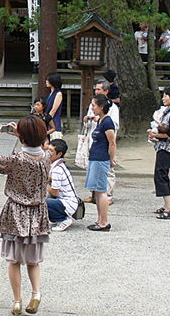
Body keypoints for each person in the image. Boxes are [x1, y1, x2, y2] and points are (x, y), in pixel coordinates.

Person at [0, 116, 51, 315]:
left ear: (22, 137)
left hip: (16, 212)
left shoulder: (15, 160)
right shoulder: (46, 157)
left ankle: (17, 301)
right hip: (38, 213)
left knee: (14, 261)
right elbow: (41, 145)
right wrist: (23, 133)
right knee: (33, 260)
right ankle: (36, 294)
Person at [82, 80, 120, 205]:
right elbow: (87, 119)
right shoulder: (93, 105)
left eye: (99, 89)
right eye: (96, 89)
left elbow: (114, 127)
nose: (97, 92)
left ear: (106, 91)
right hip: (93, 138)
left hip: (104, 143)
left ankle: (108, 195)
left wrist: (101, 120)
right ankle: (93, 194)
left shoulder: (112, 108)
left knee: (107, 171)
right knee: (92, 169)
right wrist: (88, 119)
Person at [148, 85, 170, 219]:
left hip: (168, 149)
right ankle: (165, 204)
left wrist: (154, 135)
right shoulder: (169, 111)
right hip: (162, 147)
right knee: (160, 174)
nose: (163, 98)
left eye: (165, 96)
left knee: (161, 175)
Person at [84, 95, 116, 231]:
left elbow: (112, 142)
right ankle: (99, 219)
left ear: (101, 107)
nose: (92, 108)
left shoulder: (108, 122)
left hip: (101, 159)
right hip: (95, 158)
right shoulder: (100, 121)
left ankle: (104, 222)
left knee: (101, 191)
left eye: (94, 105)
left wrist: (111, 159)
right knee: (97, 191)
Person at [46, 139, 78, 232]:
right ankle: (56, 217)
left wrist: (45, 182)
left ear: (59, 154)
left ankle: (64, 219)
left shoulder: (57, 170)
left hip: (68, 203)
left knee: (41, 202)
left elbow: (55, 193)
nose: (48, 153)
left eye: (51, 151)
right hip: (66, 201)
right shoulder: (58, 165)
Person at [44, 72, 63, 140]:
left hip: (53, 120)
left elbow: (54, 109)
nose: (46, 82)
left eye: (48, 80)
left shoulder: (58, 94)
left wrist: (47, 120)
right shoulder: (50, 93)